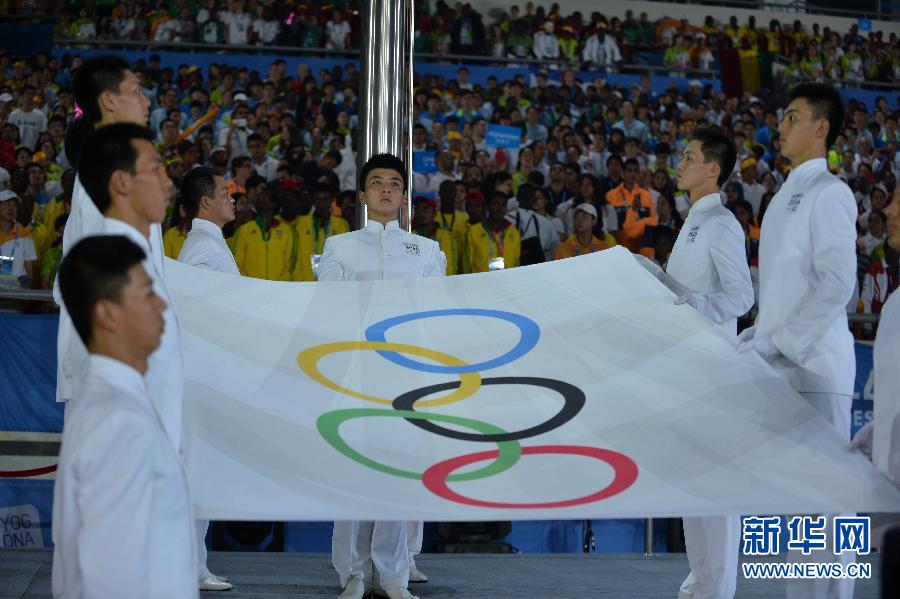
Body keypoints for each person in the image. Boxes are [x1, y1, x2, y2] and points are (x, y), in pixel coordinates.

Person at [52, 124, 192, 597]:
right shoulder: (118, 422)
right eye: (148, 293)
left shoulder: (125, 408)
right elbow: (108, 573)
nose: (161, 306)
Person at [736, 83, 858, 599]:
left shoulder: (831, 191)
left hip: (817, 364)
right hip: (783, 361)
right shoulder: (782, 194)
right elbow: (787, 287)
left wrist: (780, 341)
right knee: (796, 504)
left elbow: (837, 282)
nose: (779, 125)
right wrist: (757, 332)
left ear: (820, 129)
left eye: (792, 117)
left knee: (828, 503)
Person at [319, 154, 445, 599]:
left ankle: (392, 573)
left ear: (405, 196)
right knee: (352, 470)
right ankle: (352, 572)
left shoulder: (426, 250)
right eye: (377, 182)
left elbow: (435, 314)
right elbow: (326, 307)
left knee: (398, 471)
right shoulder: (340, 246)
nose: (387, 189)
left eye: (395, 183)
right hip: (353, 369)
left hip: (406, 374)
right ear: (363, 195)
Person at [670, 128, 754, 599]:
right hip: (687, 368)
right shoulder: (693, 222)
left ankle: (717, 585)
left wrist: (689, 308)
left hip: (712, 371)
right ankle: (701, 577)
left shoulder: (720, 222)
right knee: (690, 483)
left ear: (712, 169)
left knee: (715, 486)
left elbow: (741, 296)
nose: (680, 164)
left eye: (688, 157)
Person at [55, 55, 159, 408]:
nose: (146, 102)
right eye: (137, 91)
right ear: (109, 100)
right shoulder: (107, 180)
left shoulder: (118, 173)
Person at [175, 167, 237, 592]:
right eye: (225, 192)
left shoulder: (208, 244)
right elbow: (194, 316)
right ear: (205, 203)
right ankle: (187, 566)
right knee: (193, 477)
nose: (232, 197)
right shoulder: (202, 248)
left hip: (206, 370)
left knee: (200, 476)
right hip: (198, 373)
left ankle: (194, 564)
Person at [294, 183, 349, 281]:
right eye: (318, 199)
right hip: (303, 282)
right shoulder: (300, 223)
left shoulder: (341, 224)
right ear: (313, 201)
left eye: (325, 199)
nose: (321, 203)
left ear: (332, 200)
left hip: (331, 283)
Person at [466, 191, 522, 272]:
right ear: (488, 206)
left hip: (507, 282)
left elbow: (517, 264)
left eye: (503, 205)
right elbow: (467, 265)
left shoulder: (514, 233)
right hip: (480, 282)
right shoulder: (473, 232)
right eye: (496, 204)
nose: (500, 208)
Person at [0, 190, 37, 288]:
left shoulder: (24, 234)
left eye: (14, 205)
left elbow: (28, 265)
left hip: (16, 292)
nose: (11, 208)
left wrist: (27, 291)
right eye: (7, 204)